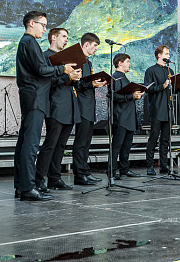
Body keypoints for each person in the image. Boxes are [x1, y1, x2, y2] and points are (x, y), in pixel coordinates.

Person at [14, 11, 75, 201]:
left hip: (33, 98)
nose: (44, 29)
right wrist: (63, 69)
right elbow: (41, 70)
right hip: (35, 98)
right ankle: (27, 188)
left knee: (24, 144)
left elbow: (41, 72)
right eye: (43, 25)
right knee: (30, 145)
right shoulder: (29, 42)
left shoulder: (27, 42)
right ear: (31, 23)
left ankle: (22, 186)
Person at [35, 27, 82, 191]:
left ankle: (55, 178)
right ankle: (38, 180)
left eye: (67, 37)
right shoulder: (45, 57)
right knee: (50, 144)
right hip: (55, 105)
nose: (66, 39)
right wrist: (67, 76)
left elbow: (70, 82)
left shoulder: (67, 59)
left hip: (70, 105)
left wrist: (75, 77)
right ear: (53, 37)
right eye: (63, 36)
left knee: (61, 145)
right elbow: (46, 82)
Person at [144, 45, 180, 175]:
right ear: (159, 55)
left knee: (165, 139)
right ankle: (150, 166)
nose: (169, 56)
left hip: (168, 107)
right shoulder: (150, 70)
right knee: (153, 137)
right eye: (166, 53)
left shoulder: (170, 70)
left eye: (169, 54)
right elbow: (148, 88)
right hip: (157, 108)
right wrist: (162, 86)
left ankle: (164, 165)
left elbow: (172, 90)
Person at [72, 33, 106, 186]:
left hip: (89, 106)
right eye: (94, 46)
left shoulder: (88, 62)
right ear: (86, 44)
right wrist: (91, 84)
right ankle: (79, 174)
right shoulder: (77, 61)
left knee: (86, 142)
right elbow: (77, 84)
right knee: (80, 142)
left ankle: (85, 171)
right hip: (82, 106)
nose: (96, 49)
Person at [110, 53, 143, 179]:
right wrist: (131, 96)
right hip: (120, 117)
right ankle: (112, 171)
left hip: (129, 116)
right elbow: (114, 96)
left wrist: (136, 95)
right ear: (120, 63)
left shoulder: (124, 78)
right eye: (127, 61)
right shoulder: (115, 78)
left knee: (127, 146)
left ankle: (124, 169)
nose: (130, 64)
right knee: (117, 146)